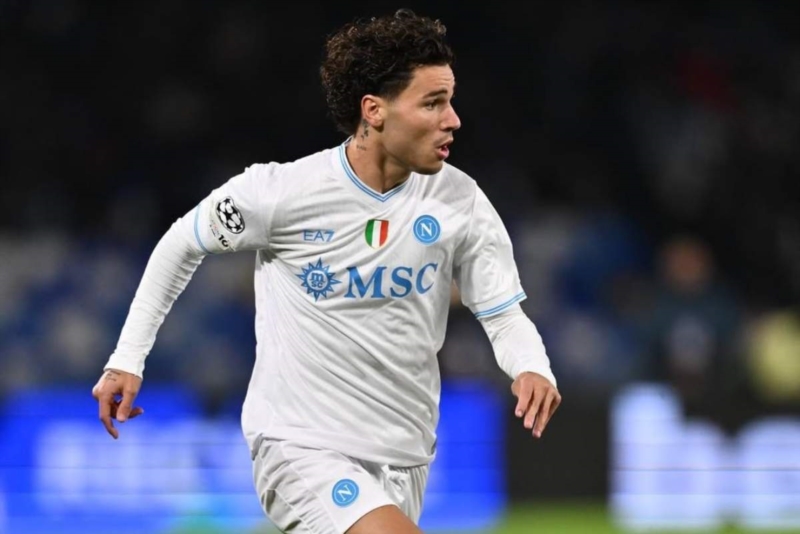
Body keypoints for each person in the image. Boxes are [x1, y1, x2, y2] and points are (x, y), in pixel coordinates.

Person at [92, 8, 561, 534]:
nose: (452, 119)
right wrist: (127, 358)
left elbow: (502, 313)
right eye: (432, 103)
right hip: (301, 445)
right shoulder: (283, 193)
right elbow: (180, 244)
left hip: (405, 456)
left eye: (449, 101)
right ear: (374, 111)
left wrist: (531, 366)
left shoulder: (461, 201)